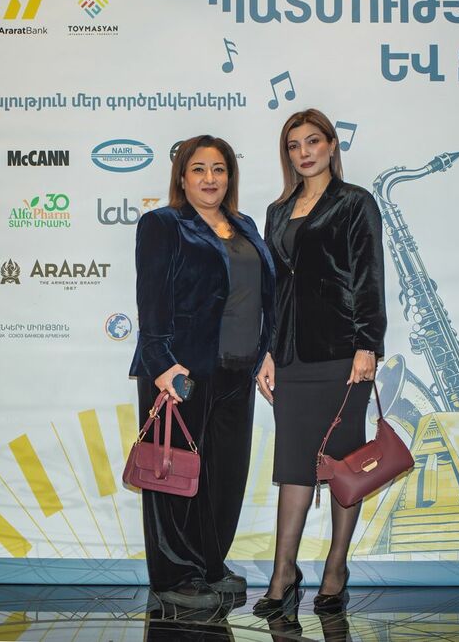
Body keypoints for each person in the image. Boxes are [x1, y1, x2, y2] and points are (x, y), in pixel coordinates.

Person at [129, 134, 276, 609]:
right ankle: (176, 574)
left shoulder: (245, 225)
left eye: (219, 169)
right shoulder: (163, 224)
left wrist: (267, 351)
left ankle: (211, 564)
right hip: (181, 371)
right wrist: (160, 363)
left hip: (239, 368)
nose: (210, 178)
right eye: (199, 169)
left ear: (230, 176)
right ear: (182, 177)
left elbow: (260, 295)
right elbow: (151, 300)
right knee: (174, 474)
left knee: (225, 477)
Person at [254, 109, 386, 616]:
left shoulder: (355, 202)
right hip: (290, 356)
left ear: (332, 145)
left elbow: (368, 274)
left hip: (342, 353)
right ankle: (283, 574)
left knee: (343, 463)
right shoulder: (277, 211)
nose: (304, 152)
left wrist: (368, 344)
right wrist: (268, 350)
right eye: (294, 145)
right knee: (293, 463)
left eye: (313, 141)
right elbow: (272, 289)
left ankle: (335, 570)